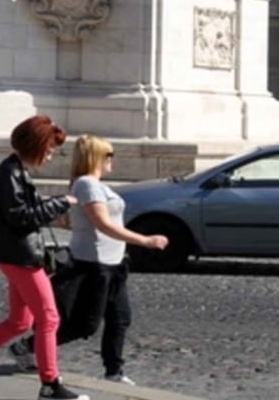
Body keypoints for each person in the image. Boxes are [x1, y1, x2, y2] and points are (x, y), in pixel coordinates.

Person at [0, 115, 87, 400]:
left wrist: (53, 205)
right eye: (48, 150)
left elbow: (23, 213)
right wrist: (60, 203)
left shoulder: (14, 170)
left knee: (20, 322)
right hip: (20, 255)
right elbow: (20, 217)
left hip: (16, 254)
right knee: (49, 318)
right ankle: (50, 384)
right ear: (36, 146)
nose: (50, 156)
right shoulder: (10, 173)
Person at [10, 135, 168, 386]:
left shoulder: (95, 185)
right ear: (98, 157)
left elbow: (80, 221)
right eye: (109, 155)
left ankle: (114, 370)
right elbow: (103, 224)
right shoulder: (87, 184)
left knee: (120, 317)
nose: (112, 160)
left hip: (114, 261)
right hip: (95, 264)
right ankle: (26, 346)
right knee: (85, 324)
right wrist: (145, 241)